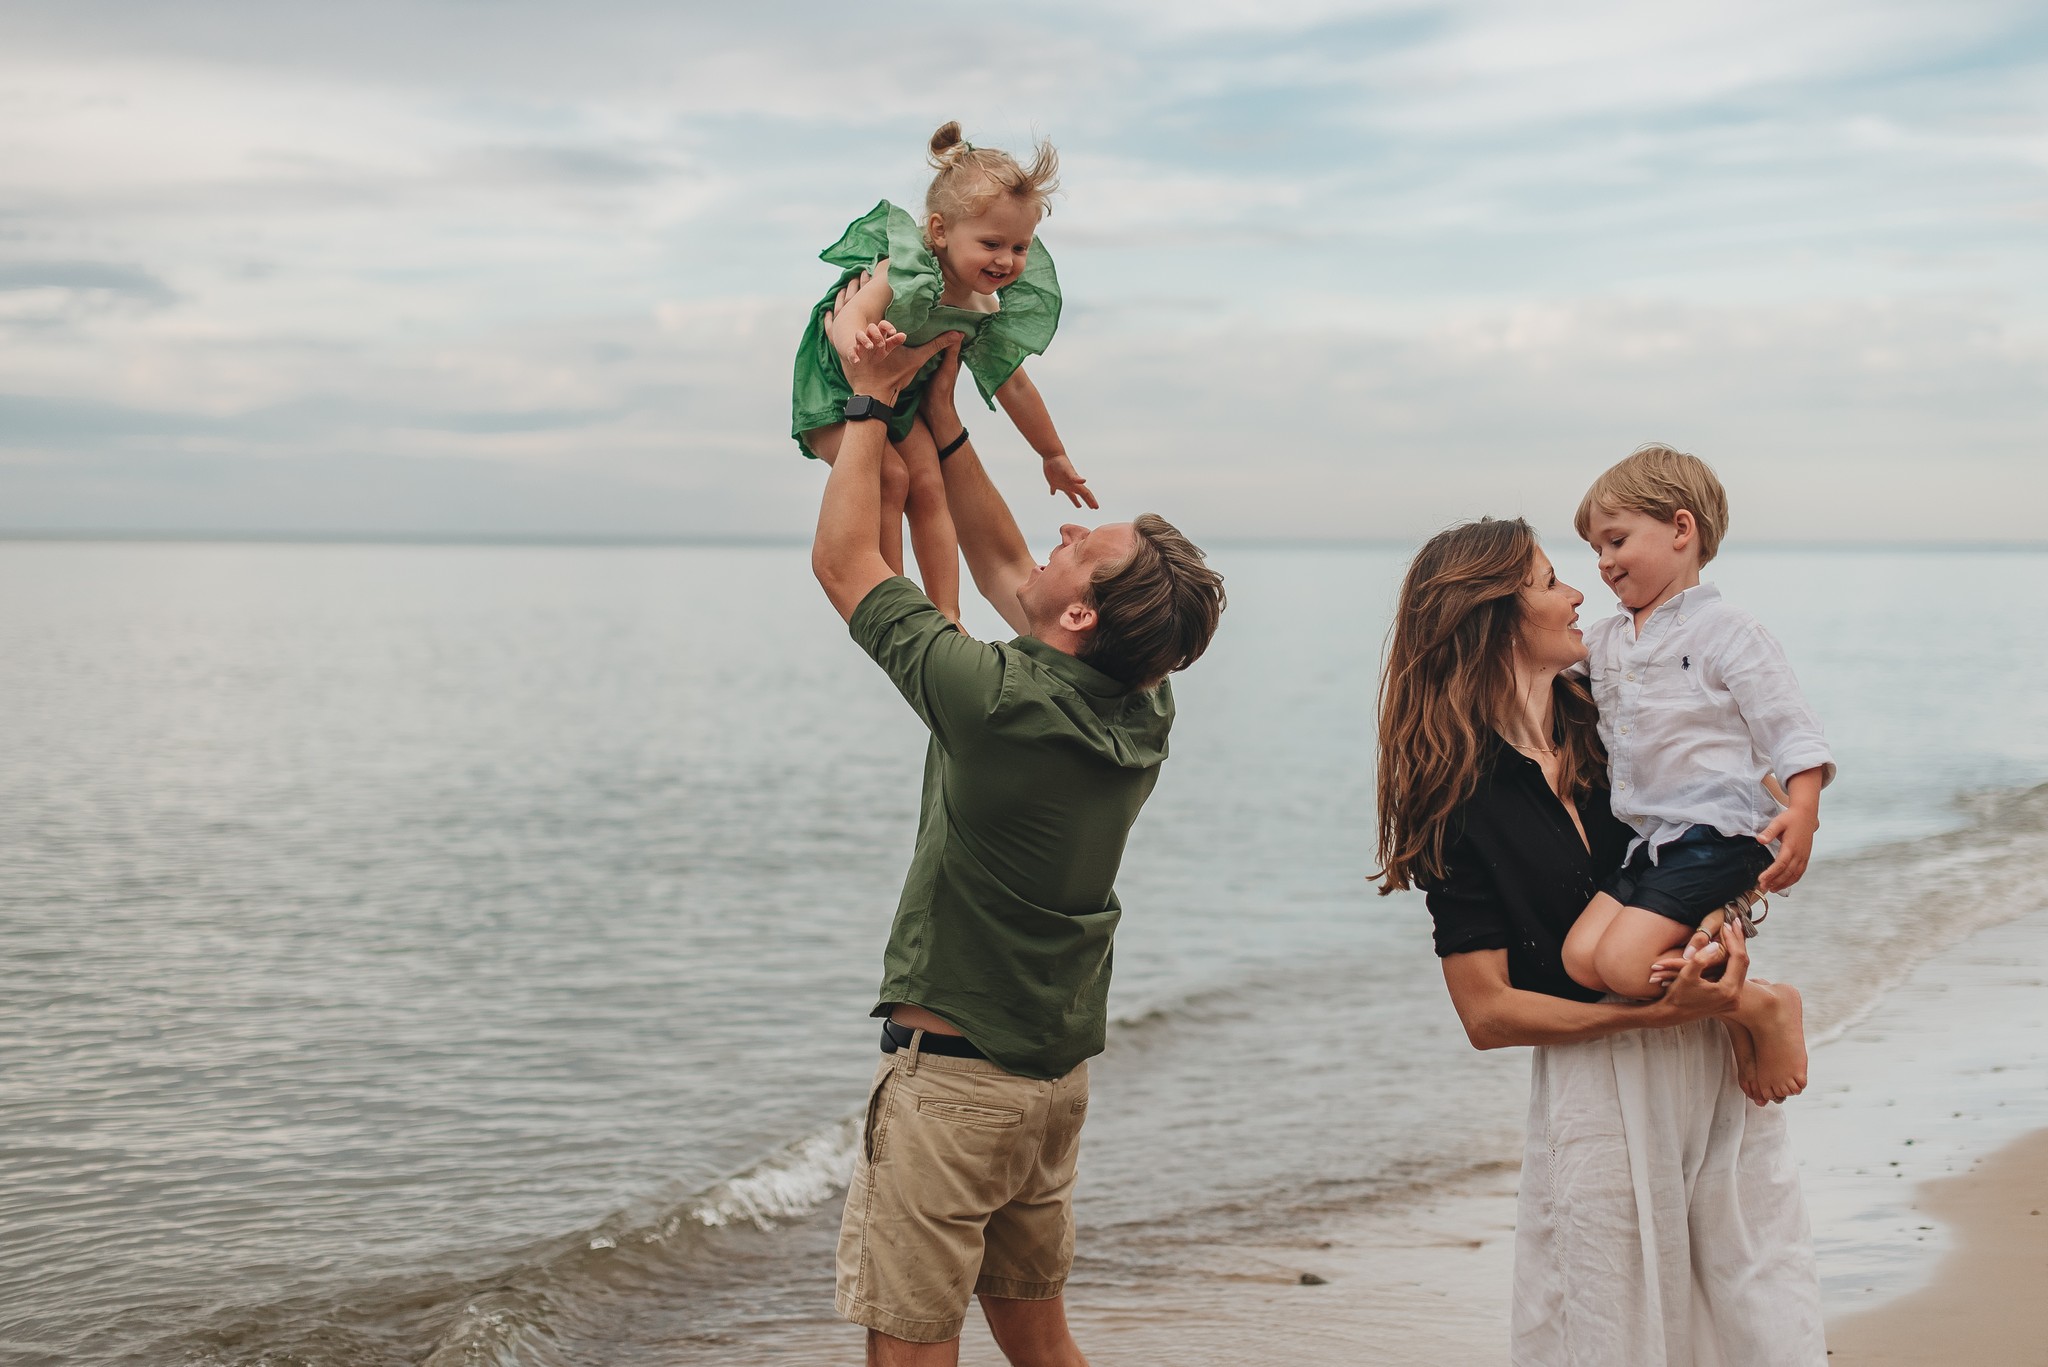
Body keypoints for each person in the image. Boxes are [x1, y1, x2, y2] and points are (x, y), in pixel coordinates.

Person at [810, 308, 1225, 1365]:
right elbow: (1004, 562)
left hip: (952, 1085)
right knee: (1042, 1350)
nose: (1064, 533)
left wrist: (867, 399)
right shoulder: (1140, 706)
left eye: (1085, 546)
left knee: (909, 1349)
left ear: (1080, 617)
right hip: (1047, 1089)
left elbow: (844, 560)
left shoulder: (992, 700)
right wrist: (944, 416)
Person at [1374, 517, 1826, 1366]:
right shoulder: (1455, 797)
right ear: (1496, 616)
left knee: (1755, 1305)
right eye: (1549, 581)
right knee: (1606, 1327)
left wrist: (1724, 938)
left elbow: (1738, 824)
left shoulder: (1615, 717)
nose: (1579, 591)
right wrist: (1650, 1019)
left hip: (1721, 1049)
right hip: (1597, 1084)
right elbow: (1489, 1013)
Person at [1560, 444, 1835, 1104]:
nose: (1603, 563)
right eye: (1596, 548)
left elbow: (1790, 728)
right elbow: (1543, 674)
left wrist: (1803, 812)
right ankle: (1722, 979)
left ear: (1682, 529)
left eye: (1616, 539)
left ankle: (1760, 1004)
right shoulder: (1605, 639)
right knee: (1578, 959)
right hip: (1649, 842)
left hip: (1720, 834)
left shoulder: (1730, 632)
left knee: (1625, 966)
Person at [793, 120, 1096, 625]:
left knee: (929, 484)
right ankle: (891, 600)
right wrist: (860, 346)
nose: (1006, 260)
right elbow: (846, 317)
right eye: (992, 243)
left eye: (1019, 248)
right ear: (939, 232)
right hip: (838, 384)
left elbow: (1014, 383)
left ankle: (946, 616)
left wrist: (1053, 453)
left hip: (902, 396)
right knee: (890, 476)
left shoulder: (983, 307)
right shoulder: (908, 271)